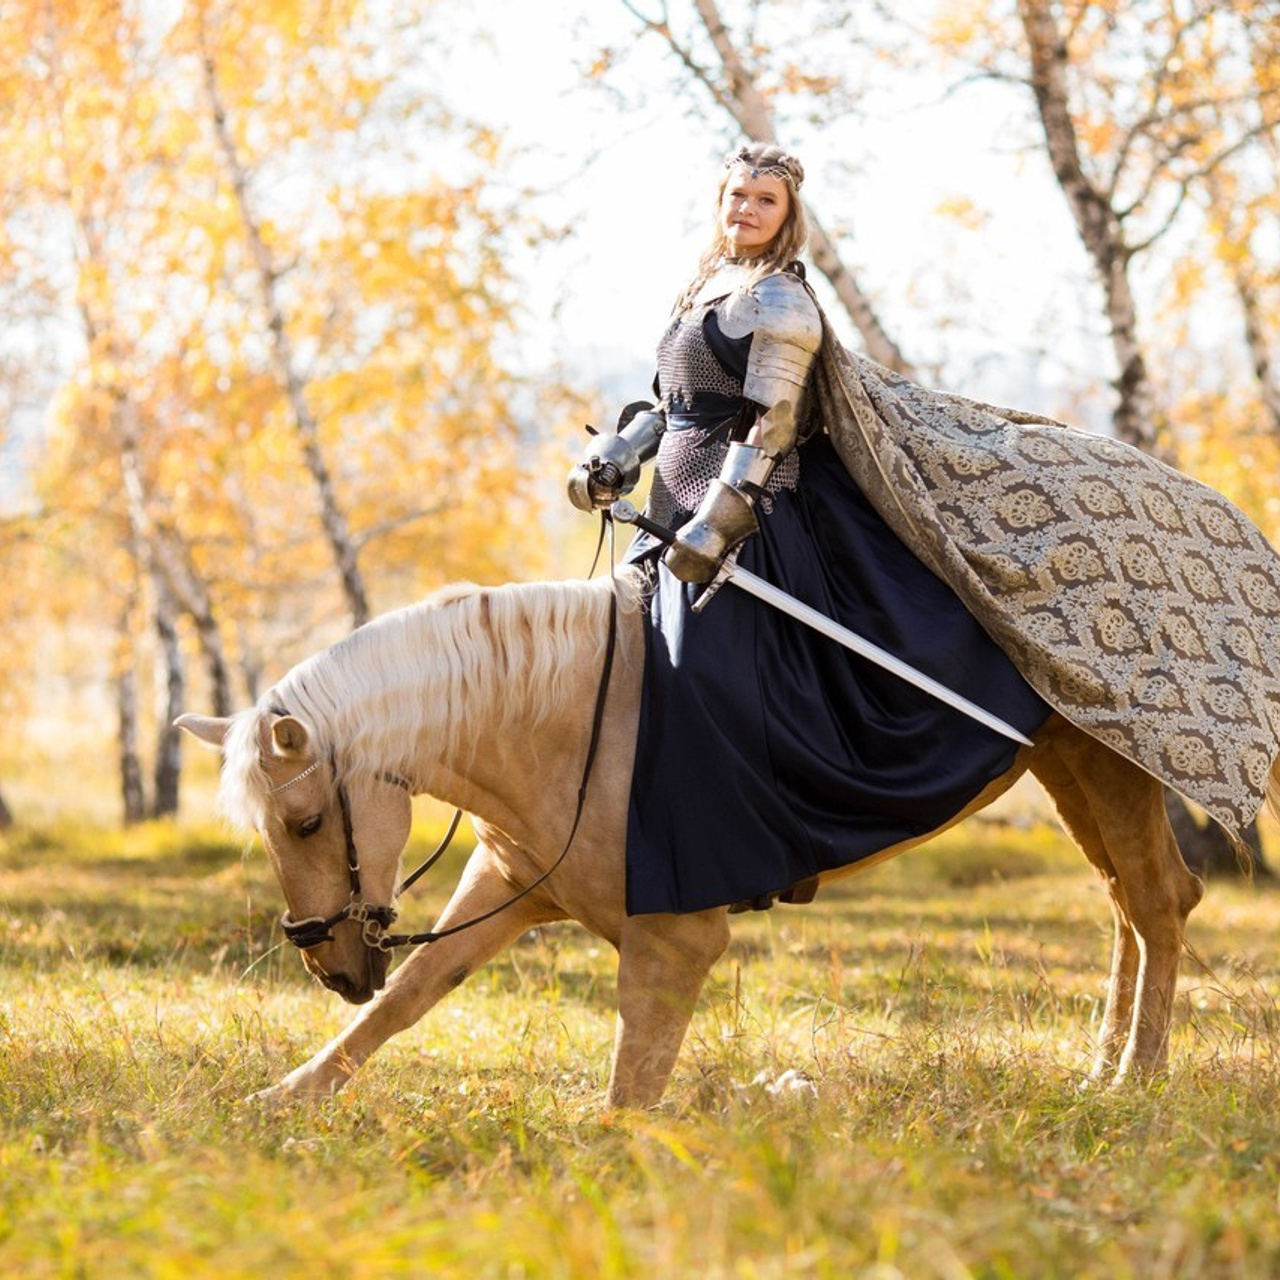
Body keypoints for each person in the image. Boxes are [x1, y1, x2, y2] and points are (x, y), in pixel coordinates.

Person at [568, 143, 1051, 915]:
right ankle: (633, 844)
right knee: (632, 675)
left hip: (749, 522)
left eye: (766, 200)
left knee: (704, 681)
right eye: (737, 195)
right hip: (668, 510)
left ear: (789, 215)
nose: (746, 210)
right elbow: (674, 404)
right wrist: (615, 454)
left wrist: (719, 524)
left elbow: (771, 423)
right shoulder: (702, 289)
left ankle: (745, 856)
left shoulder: (780, 301)